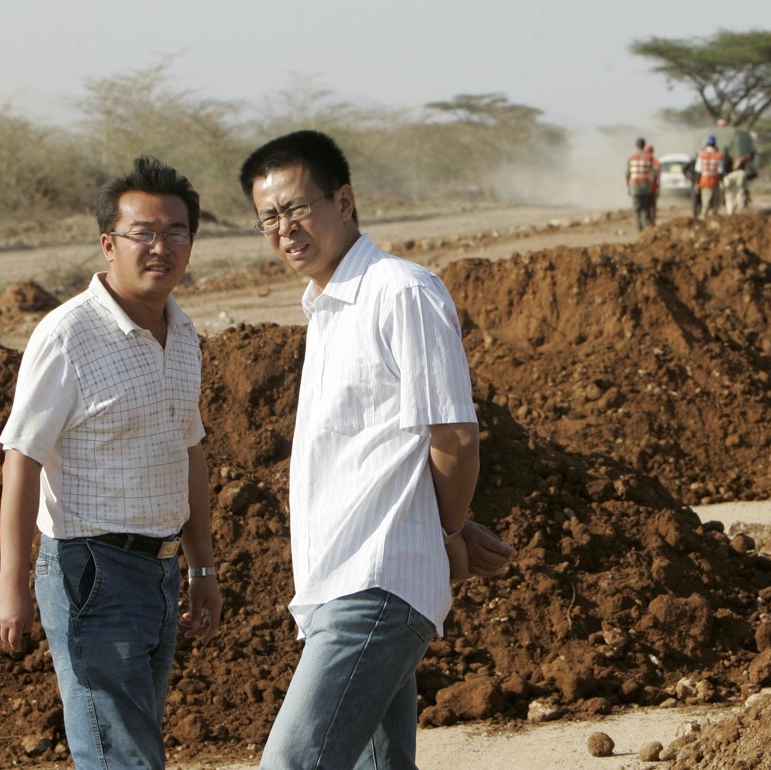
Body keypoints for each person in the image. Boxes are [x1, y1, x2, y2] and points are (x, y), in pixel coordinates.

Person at [239, 129, 517, 770]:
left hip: (375, 583)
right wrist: (449, 522)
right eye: (269, 218)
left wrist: (446, 531)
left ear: (344, 200)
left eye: (298, 207)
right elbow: (385, 455)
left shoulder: (399, 291)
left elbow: (452, 435)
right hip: (342, 581)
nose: (285, 228)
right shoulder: (327, 309)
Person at [0, 156, 222, 769]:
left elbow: (190, 452)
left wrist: (202, 568)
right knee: (120, 753)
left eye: (176, 232)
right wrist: (11, 582)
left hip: (161, 568)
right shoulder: (68, 335)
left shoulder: (184, 331)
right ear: (108, 243)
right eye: (143, 232)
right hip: (91, 570)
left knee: (133, 744)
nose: (160, 246)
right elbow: (23, 457)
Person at [626, 136, 657, 233]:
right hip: (646, 186)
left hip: (635, 186)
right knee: (646, 209)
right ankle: (646, 229)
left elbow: (627, 174)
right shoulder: (649, 157)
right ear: (644, 145)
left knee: (636, 209)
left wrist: (628, 187)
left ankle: (639, 228)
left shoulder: (632, 157)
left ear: (636, 146)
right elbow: (653, 174)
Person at [695, 135, 724, 221]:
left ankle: (703, 218)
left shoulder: (701, 155)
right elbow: (720, 171)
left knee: (705, 202)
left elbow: (698, 170)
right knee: (715, 203)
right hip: (715, 181)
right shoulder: (718, 155)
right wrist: (721, 182)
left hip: (704, 181)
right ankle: (714, 219)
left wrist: (696, 183)